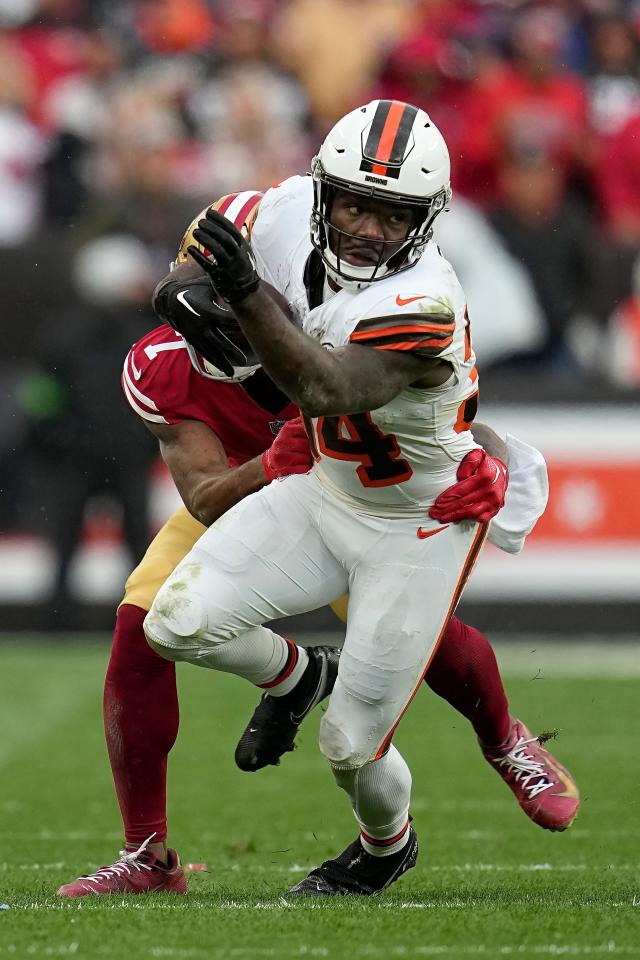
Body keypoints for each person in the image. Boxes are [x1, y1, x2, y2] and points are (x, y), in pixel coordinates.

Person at [57, 183, 578, 899]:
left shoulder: (330, 300)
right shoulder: (161, 366)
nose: (249, 337)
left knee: (420, 637)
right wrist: (269, 465)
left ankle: (503, 738)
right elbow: (206, 496)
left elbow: (434, 404)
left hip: (359, 490)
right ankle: (151, 847)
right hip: (268, 492)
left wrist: (487, 457)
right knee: (144, 625)